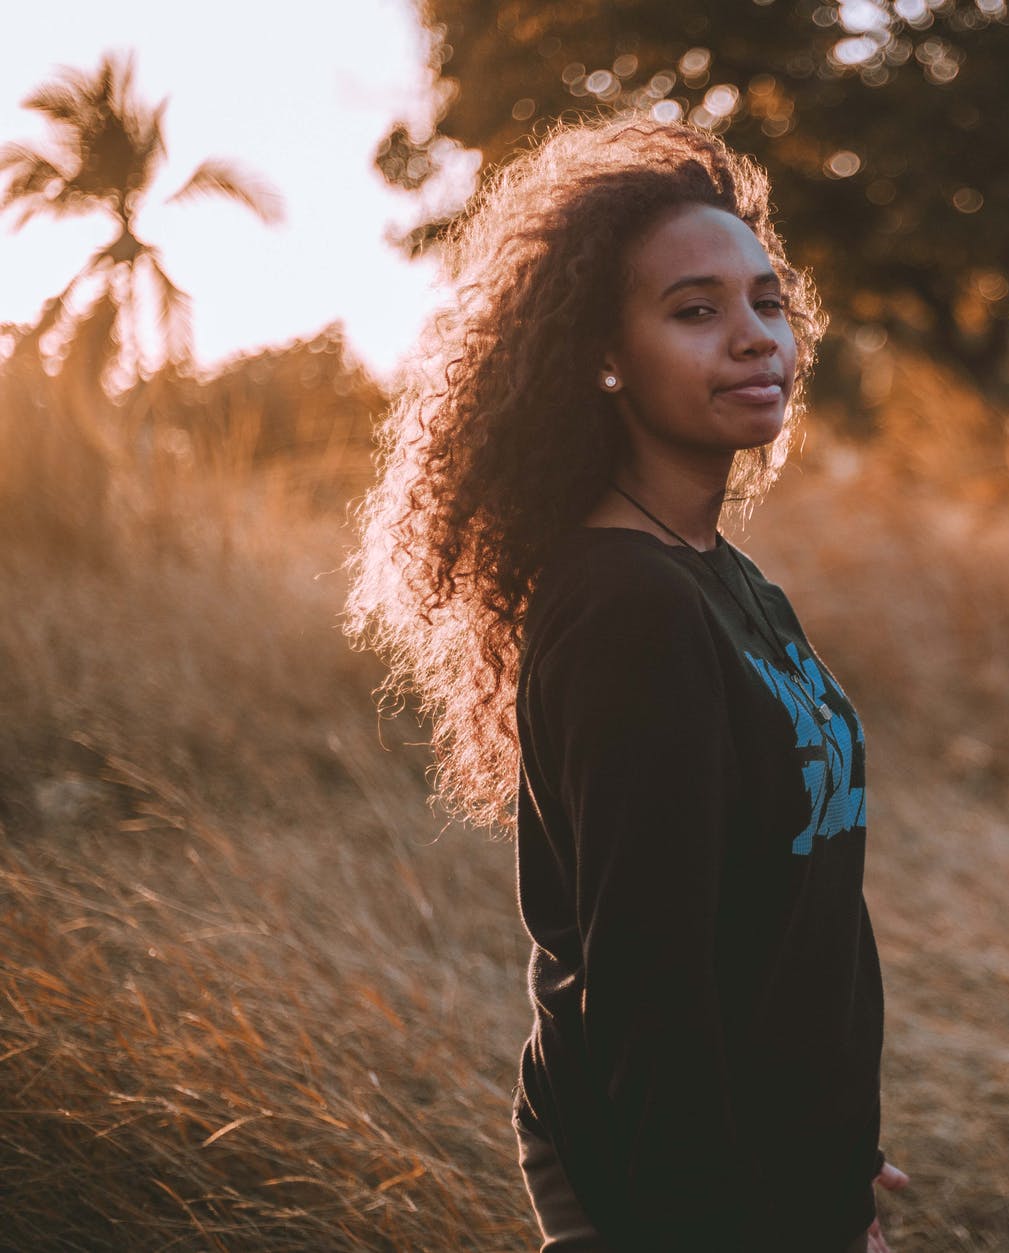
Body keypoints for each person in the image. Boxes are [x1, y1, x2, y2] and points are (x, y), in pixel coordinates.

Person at [341, 111, 906, 1251]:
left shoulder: (722, 576)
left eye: (765, 301)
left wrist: (830, 1147)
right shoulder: (627, 610)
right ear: (603, 356)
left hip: (779, 1159)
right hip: (686, 1198)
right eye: (694, 310)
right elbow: (646, 989)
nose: (754, 337)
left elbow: (783, 910)